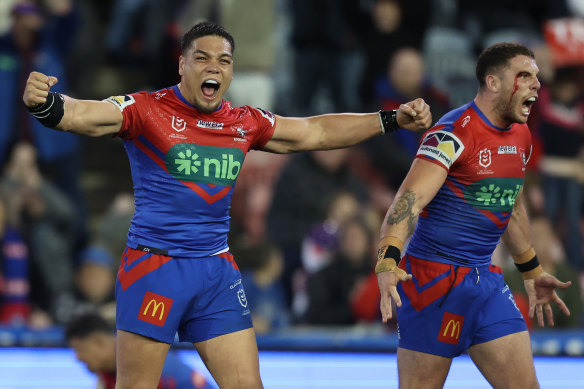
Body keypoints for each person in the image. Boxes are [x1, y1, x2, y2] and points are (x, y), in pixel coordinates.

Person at [22, 22, 431, 388]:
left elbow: (315, 131)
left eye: (224, 60)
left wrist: (390, 119)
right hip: (154, 269)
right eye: (201, 58)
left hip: (215, 271)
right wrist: (47, 105)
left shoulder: (244, 121)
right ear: (182, 66)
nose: (213, 67)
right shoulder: (145, 110)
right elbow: (83, 115)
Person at [375, 42, 572, 388]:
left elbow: (511, 205)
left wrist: (531, 271)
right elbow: (407, 202)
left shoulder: (521, 136)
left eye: (537, 77)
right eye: (524, 76)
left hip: (485, 282)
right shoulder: (453, 133)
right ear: (493, 82)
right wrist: (388, 260)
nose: (536, 85)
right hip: (433, 283)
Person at [65, 311, 214, 389]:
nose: (78, 358)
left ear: (99, 342)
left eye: (80, 349)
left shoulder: (142, 361)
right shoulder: (107, 372)